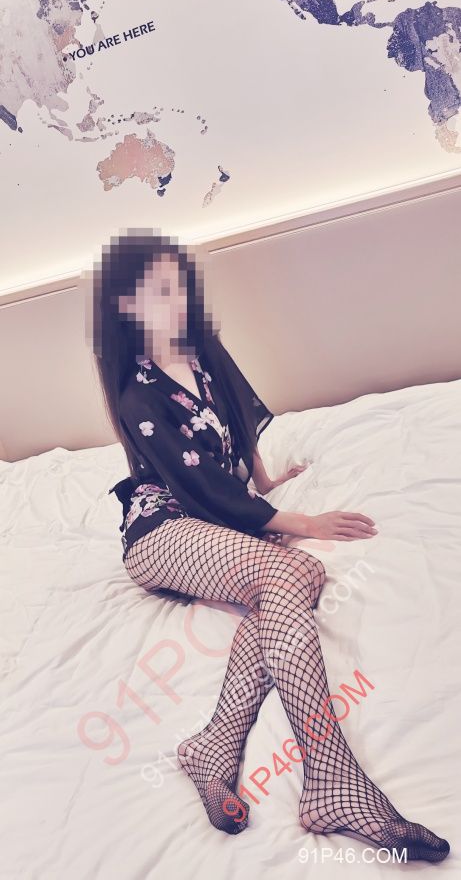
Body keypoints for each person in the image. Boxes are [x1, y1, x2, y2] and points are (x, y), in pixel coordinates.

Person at [90, 228, 449, 862]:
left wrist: (264, 483)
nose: (172, 302)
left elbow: (239, 424)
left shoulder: (204, 351)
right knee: (291, 569)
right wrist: (300, 520)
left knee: (299, 576)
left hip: (210, 520)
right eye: (152, 294)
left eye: (176, 287)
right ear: (124, 307)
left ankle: (215, 746)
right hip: (161, 530)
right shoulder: (138, 396)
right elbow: (200, 490)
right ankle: (333, 778)